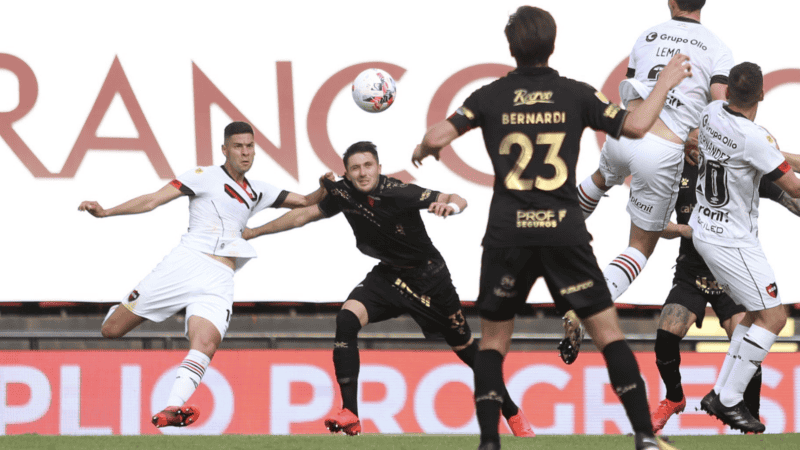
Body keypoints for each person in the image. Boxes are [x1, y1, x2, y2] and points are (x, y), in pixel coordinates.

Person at [411, 6, 691, 450]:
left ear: (510, 47)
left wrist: (425, 148)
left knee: (493, 344)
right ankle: (644, 437)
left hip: (508, 233)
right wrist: (665, 83)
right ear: (553, 44)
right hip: (563, 232)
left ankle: (489, 442)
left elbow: (439, 135)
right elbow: (637, 125)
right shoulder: (576, 94)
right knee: (608, 335)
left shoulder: (487, 96)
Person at [243, 141, 535, 438]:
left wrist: (451, 206)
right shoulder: (342, 191)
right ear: (347, 172)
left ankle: (512, 412)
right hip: (388, 276)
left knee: (467, 351)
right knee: (346, 318)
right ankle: (351, 413)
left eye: (368, 166)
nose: (362, 173)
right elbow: (303, 214)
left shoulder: (399, 192)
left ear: (379, 168)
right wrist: (254, 232)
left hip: (429, 280)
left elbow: (455, 197)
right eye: (355, 168)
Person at [78, 121, 330, 428]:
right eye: (238, 146)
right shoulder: (203, 176)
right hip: (186, 263)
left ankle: (173, 406)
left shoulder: (258, 190)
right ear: (225, 150)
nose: (245, 152)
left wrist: (325, 187)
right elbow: (153, 199)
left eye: (250, 146)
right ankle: (125, 307)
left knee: (207, 343)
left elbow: (305, 201)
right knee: (112, 330)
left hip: (220, 276)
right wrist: (106, 212)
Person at [577, 0, 734, 302]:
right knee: (639, 245)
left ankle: (553, 230)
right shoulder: (717, 47)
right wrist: (702, 133)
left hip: (625, 132)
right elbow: (720, 104)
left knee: (599, 179)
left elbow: (639, 83)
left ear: (671, 2)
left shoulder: (648, 35)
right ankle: (590, 305)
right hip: (662, 148)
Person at [649, 153, 800, 433]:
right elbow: (652, 220)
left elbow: (792, 199)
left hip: (731, 275)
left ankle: (748, 416)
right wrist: (683, 230)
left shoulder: (741, 168)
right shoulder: (674, 172)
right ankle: (674, 398)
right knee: (666, 336)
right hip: (692, 274)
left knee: (752, 338)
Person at [690, 62, 800, 433]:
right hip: (732, 240)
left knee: (755, 313)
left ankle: (720, 390)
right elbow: (793, 186)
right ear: (762, 94)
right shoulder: (755, 138)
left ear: (728, 92)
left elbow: (772, 155)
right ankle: (729, 399)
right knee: (775, 318)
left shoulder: (709, 114)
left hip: (706, 228)